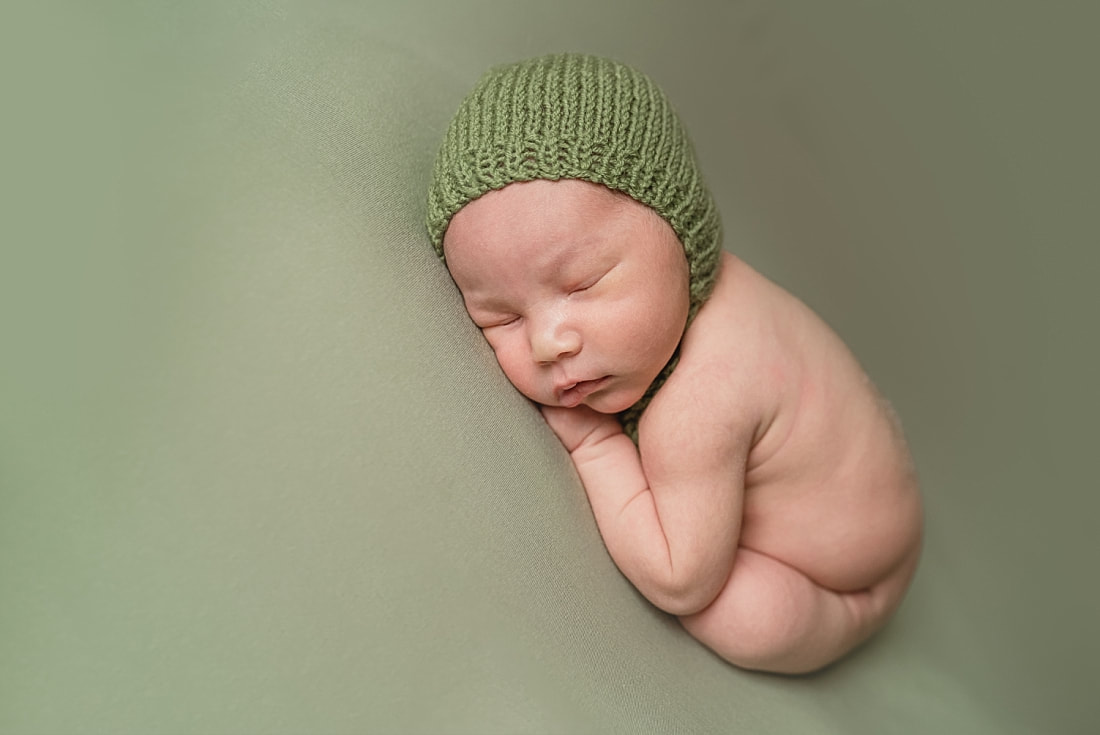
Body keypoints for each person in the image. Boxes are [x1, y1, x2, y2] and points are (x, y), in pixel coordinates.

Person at [425, 53, 922, 674]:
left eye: (582, 284)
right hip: (882, 497)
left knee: (739, 617)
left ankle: (852, 620)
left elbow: (679, 577)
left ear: (682, 235)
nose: (549, 341)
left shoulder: (698, 402)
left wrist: (594, 449)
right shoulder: (701, 297)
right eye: (503, 318)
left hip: (844, 574)